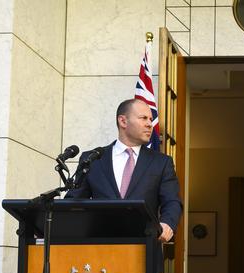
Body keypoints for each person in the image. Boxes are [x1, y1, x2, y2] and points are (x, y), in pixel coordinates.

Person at [65, 98, 183, 246]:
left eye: (151, 119)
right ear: (123, 121)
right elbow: (74, 201)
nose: (149, 124)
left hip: (145, 249)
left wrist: (167, 223)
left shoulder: (161, 162)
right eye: (143, 118)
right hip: (99, 248)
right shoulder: (93, 159)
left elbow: (172, 201)